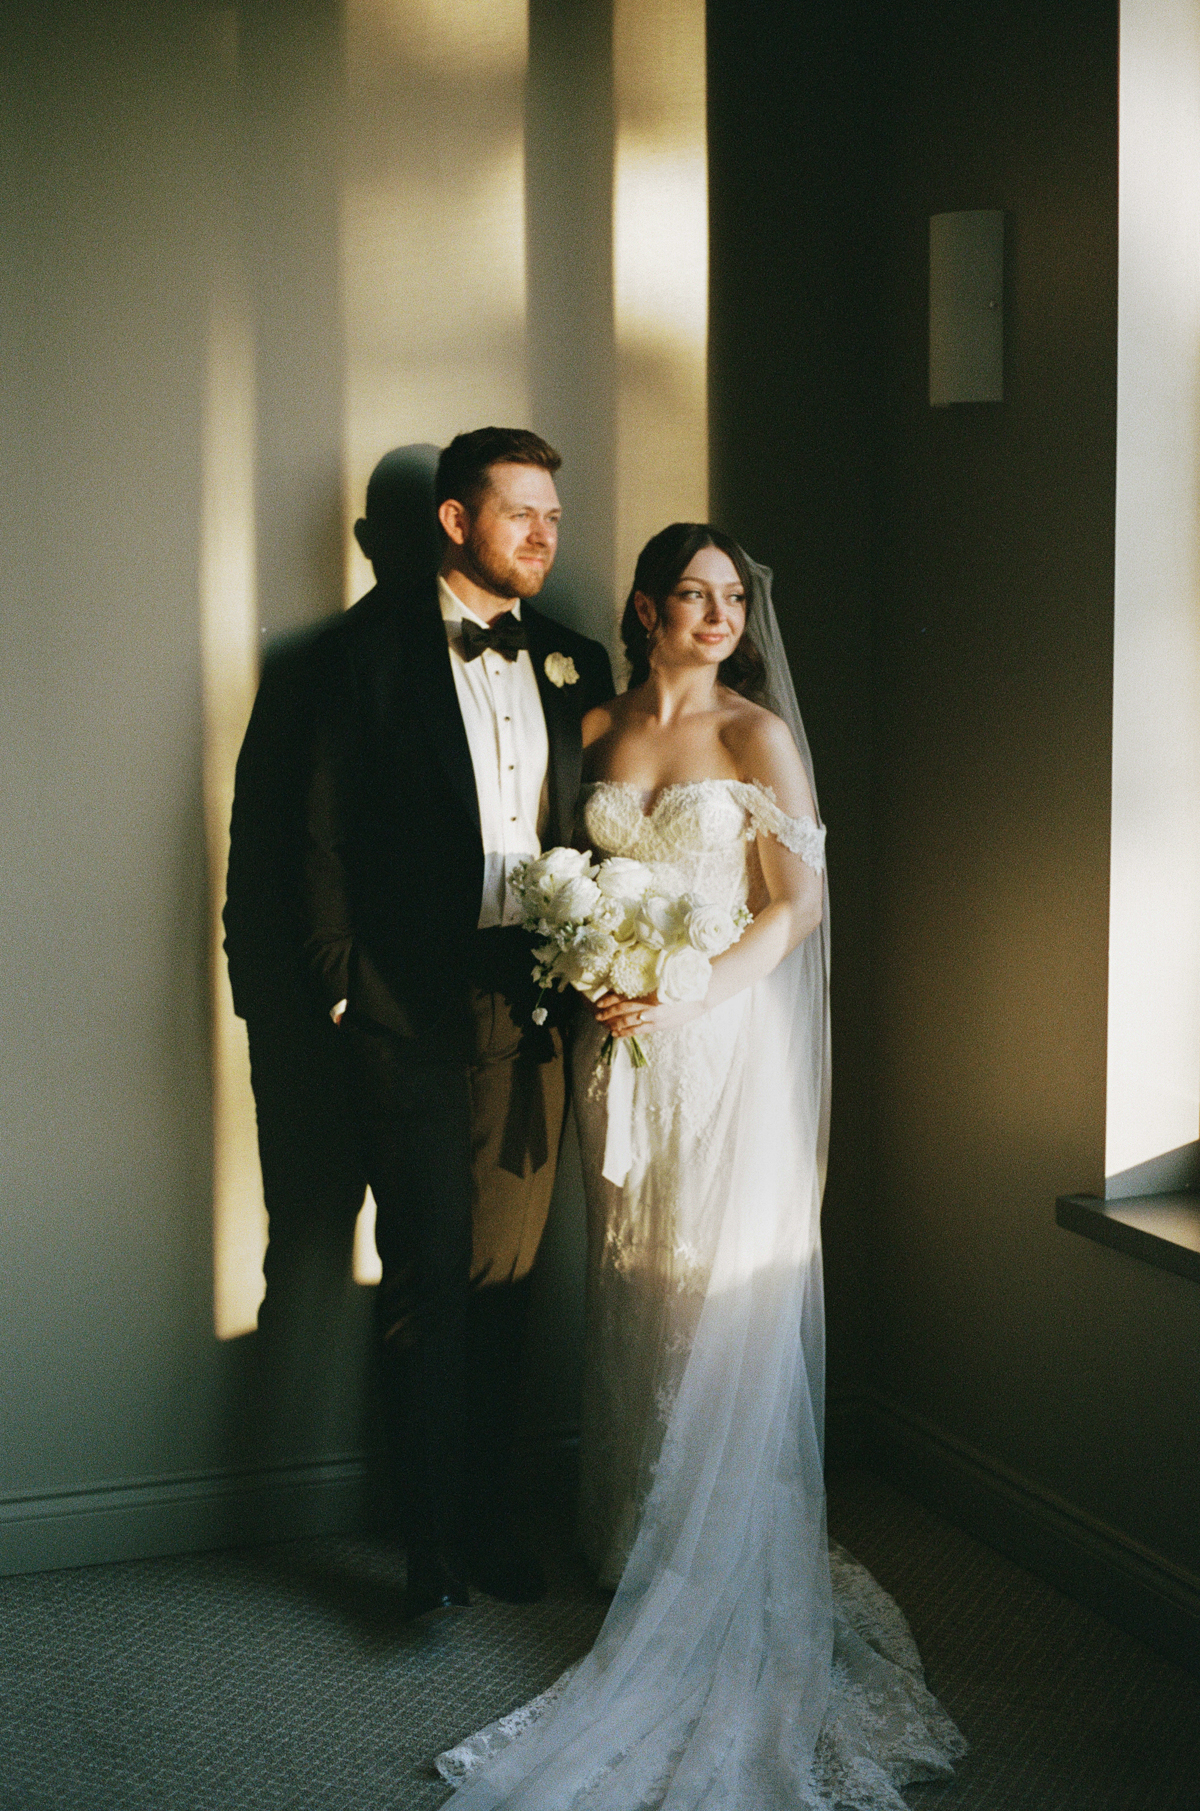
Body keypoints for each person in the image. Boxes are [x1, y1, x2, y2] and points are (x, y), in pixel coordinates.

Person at [436, 526, 965, 1808]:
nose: (721, 614)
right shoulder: (596, 726)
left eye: (733, 596)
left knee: (712, 1283)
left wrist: (690, 990)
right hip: (618, 1051)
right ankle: (629, 1528)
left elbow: (797, 903)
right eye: (695, 593)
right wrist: (591, 958)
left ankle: (708, 1546)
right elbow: (567, 875)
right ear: (645, 606)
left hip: (722, 1044)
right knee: (635, 1276)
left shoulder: (755, 734)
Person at [302, 427, 614, 1619]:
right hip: (407, 1004)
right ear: (454, 520)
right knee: (429, 1272)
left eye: (553, 515)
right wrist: (343, 984)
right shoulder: (362, 655)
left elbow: (605, 827)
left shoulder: (577, 662)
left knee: (508, 1281)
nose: (544, 534)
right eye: (521, 511)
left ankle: (488, 1519)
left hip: (532, 1007)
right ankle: (426, 1548)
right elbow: (314, 831)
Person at [224, 445, 441, 1381]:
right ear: (366, 539)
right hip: (314, 1018)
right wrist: (280, 1006)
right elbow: (260, 845)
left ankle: (412, 1468)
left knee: (427, 1262)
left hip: (439, 1025)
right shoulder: (307, 665)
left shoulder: (498, 665)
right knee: (305, 1247)